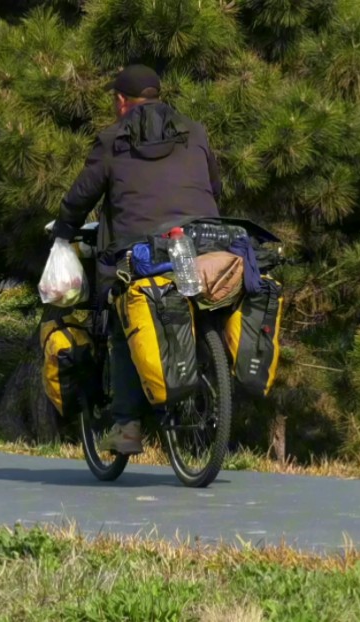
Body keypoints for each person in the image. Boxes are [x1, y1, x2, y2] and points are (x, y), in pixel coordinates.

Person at [49, 64, 223, 455]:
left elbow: (83, 195)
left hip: (138, 249)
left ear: (120, 101)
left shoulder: (113, 139)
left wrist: (62, 231)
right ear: (158, 95)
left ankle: (127, 426)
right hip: (201, 240)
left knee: (119, 321)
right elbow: (215, 185)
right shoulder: (194, 131)